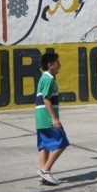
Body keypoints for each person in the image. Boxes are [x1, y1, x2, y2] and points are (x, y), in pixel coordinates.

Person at [35, 52, 69, 185]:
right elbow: (46, 99)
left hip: (40, 118)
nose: (60, 66)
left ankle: (43, 174)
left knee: (44, 146)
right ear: (50, 65)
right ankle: (45, 171)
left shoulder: (44, 78)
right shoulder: (48, 79)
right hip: (47, 117)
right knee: (62, 142)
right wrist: (54, 119)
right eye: (57, 63)